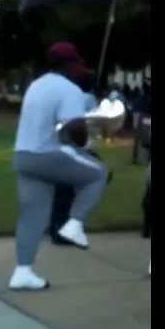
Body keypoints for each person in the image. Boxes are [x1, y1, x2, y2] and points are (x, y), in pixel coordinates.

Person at [9, 42, 110, 291]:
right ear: (69, 64)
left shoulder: (36, 84)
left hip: (23, 155)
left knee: (31, 217)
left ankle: (22, 271)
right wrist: (87, 138)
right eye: (77, 65)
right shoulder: (69, 89)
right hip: (48, 154)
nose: (79, 70)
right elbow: (75, 129)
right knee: (98, 173)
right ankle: (74, 225)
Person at [49, 78, 110, 246]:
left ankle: (55, 226)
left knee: (61, 191)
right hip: (78, 150)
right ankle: (63, 230)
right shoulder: (88, 99)